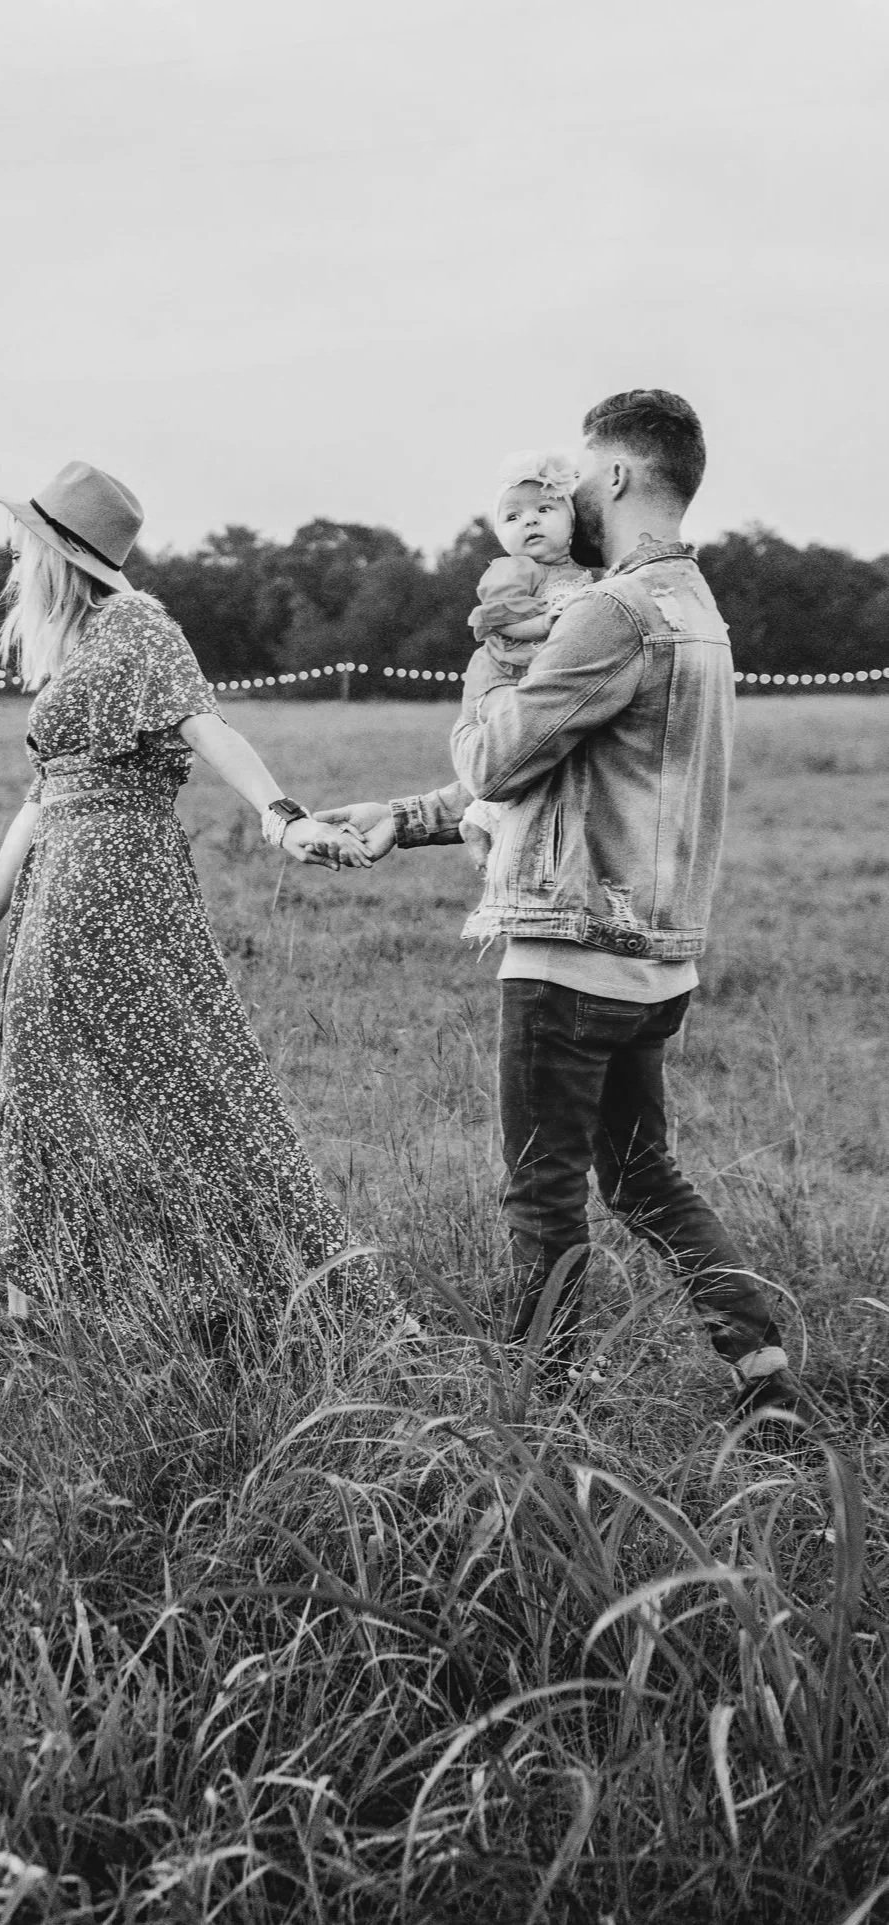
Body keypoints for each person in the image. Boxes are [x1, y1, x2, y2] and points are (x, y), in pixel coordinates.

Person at [319, 391, 799, 1415]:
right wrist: (402, 817)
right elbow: (558, 773)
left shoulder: (610, 611)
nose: (568, 492)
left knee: (541, 1198)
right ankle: (759, 1368)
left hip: (568, 953)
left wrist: (483, 671)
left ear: (617, 476)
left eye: (580, 472)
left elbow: (497, 751)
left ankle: (535, 1416)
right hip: (656, 960)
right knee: (638, 1177)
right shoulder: (695, 610)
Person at [0, 459, 384, 1317]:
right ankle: (67, 1301)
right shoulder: (82, 643)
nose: (15, 562)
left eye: (26, 543)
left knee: (177, 1082)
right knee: (64, 1088)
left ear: (61, 551)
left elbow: (205, 724)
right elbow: (40, 801)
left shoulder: (135, 626)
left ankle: (247, 1284)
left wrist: (281, 816)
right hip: (61, 880)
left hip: (112, 881)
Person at [457, 451, 598, 872]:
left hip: (532, 680)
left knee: (541, 751)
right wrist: (546, 623)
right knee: (517, 741)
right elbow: (499, 621)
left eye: (544, 509)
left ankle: (484, 819)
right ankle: (482, 817)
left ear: (572, 520)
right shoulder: (513, 570)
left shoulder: (583, 574)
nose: (530, 522)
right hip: (499, 679)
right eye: (513, 517)